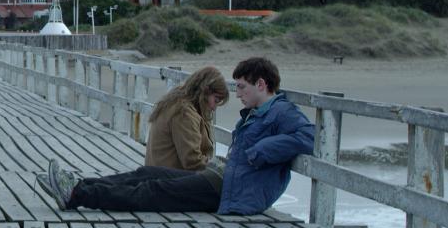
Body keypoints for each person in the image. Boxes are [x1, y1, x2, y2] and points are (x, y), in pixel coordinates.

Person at [37, 57, 315, 215]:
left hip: (229, 191)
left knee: (154, 191)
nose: (238, 94)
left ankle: (77, 195)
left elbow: (307, 137)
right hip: (220, 176)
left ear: (261, 84)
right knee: (145, 174)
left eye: (242, 87)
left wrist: (263, 149)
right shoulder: (257, 112)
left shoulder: (281, 112)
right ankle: (74, 183)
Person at [144, 66, 229, 171]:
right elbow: (193, 162)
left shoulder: (177, 99)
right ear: (205, 91)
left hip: (157, 173)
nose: (214, 108)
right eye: (215, 100)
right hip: (167, 180)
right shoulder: (184, 113)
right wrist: (220, 170)